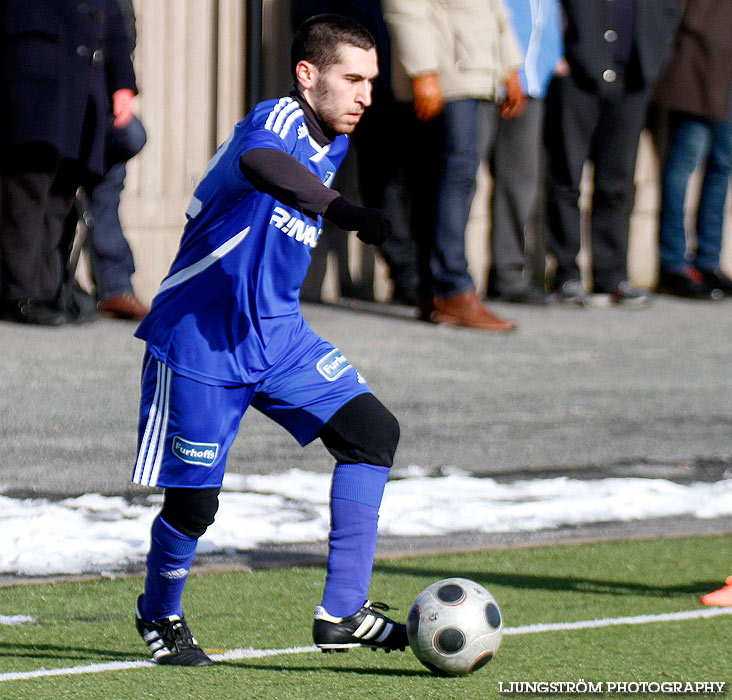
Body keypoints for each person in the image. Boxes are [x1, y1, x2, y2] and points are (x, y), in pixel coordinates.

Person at [131, 15, 407, 666]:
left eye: (372, 80)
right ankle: (159, 613)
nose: (366, 94)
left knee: (373, 433)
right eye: (353, 79)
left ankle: (343, 612)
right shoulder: (278, 121)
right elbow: (260, 161)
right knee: (194, 505)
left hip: (280, 336)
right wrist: (342, 210)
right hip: (202, 337)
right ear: (307, 76)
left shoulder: (336, 140)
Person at [384, 0, 522, 331]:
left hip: (478, 74)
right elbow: (405, 8)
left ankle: (435, 291)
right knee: (450, 181)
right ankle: (453, 289)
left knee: (447, 181)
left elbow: (496, 10)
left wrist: (510, 66)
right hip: (447, 75)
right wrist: (422, 71)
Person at [0, 0, 137, 325]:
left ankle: (45, 291)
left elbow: (115, 21)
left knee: (60, 196)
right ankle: (19, 294)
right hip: (31, 80)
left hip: (82, 88)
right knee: (28, 192)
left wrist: (122, 84)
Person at [544, 0, 679, 308]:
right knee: (566, 176)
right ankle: (566, 274)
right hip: (577, 73)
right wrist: (556, 52)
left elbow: (669, 10)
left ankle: (611, 276)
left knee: (617, 182)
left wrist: (655, 56)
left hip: (632, 75)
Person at [485, 0, 564, 305]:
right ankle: (446, 280)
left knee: (520, 184)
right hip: (484, 76)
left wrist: (553, 55)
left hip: (533, 83)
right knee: (460, 180)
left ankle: (508, 276)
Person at [653, 0, 732, 300]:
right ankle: (673, 264)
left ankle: (708, 261)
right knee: (683, 166)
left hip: (727, 74)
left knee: (722, 166)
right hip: (697, 68)